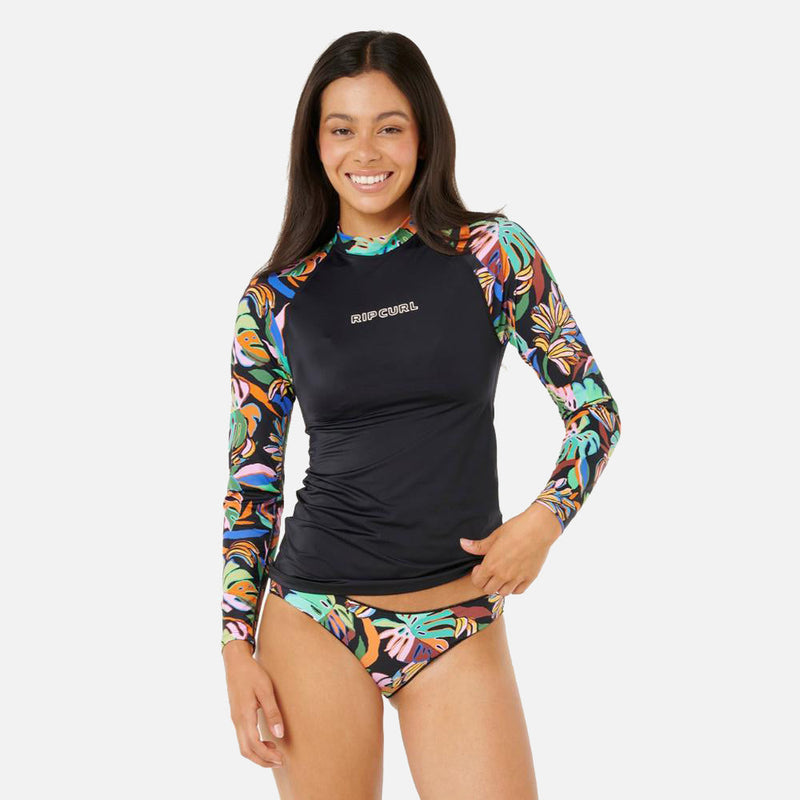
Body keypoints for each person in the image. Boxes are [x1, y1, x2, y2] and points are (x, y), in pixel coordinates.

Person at [220, 30, 622, 800]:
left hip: (457, 614)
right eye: (342, 128)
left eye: (389, 126)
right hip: (313, 615)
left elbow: (594, 411)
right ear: (315, 144)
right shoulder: (274, 299)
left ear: (424, 134)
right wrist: (236, 646)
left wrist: (542, 523)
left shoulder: (491, 254)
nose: (365, 151)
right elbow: (253, 482)